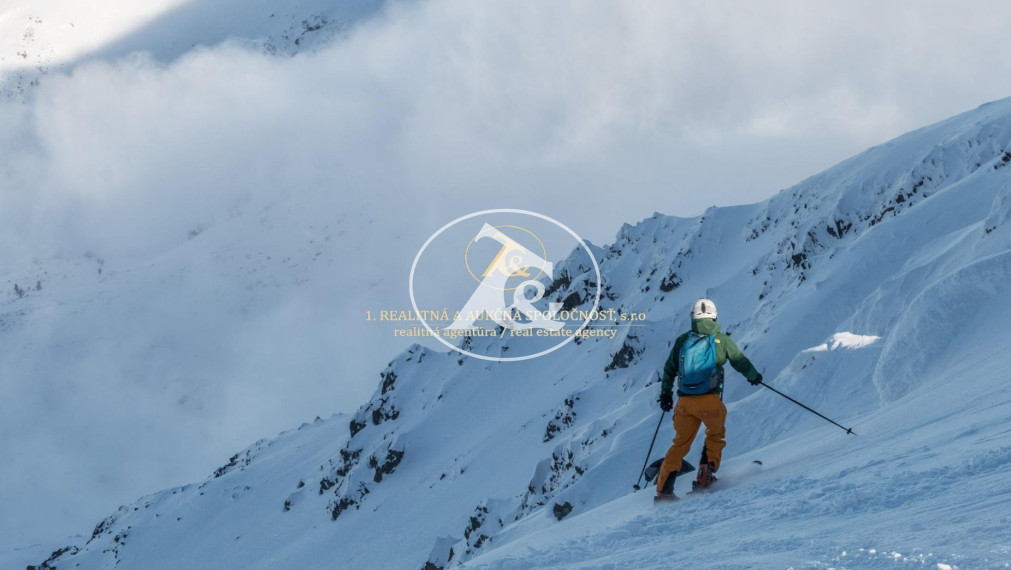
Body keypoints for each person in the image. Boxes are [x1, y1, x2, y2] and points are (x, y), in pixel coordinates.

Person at [654, 298, 762, 502]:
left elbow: (669, 369)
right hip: (710, 401)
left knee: (680, 444)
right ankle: (705, 478)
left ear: (693, 318)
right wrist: (753, 376)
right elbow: (739, 360)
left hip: (685, 403)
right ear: (714, 317)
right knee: (715, 436)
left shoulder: (682, 341)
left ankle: (663, 491)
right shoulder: (720, 340)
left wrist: (666, 394)